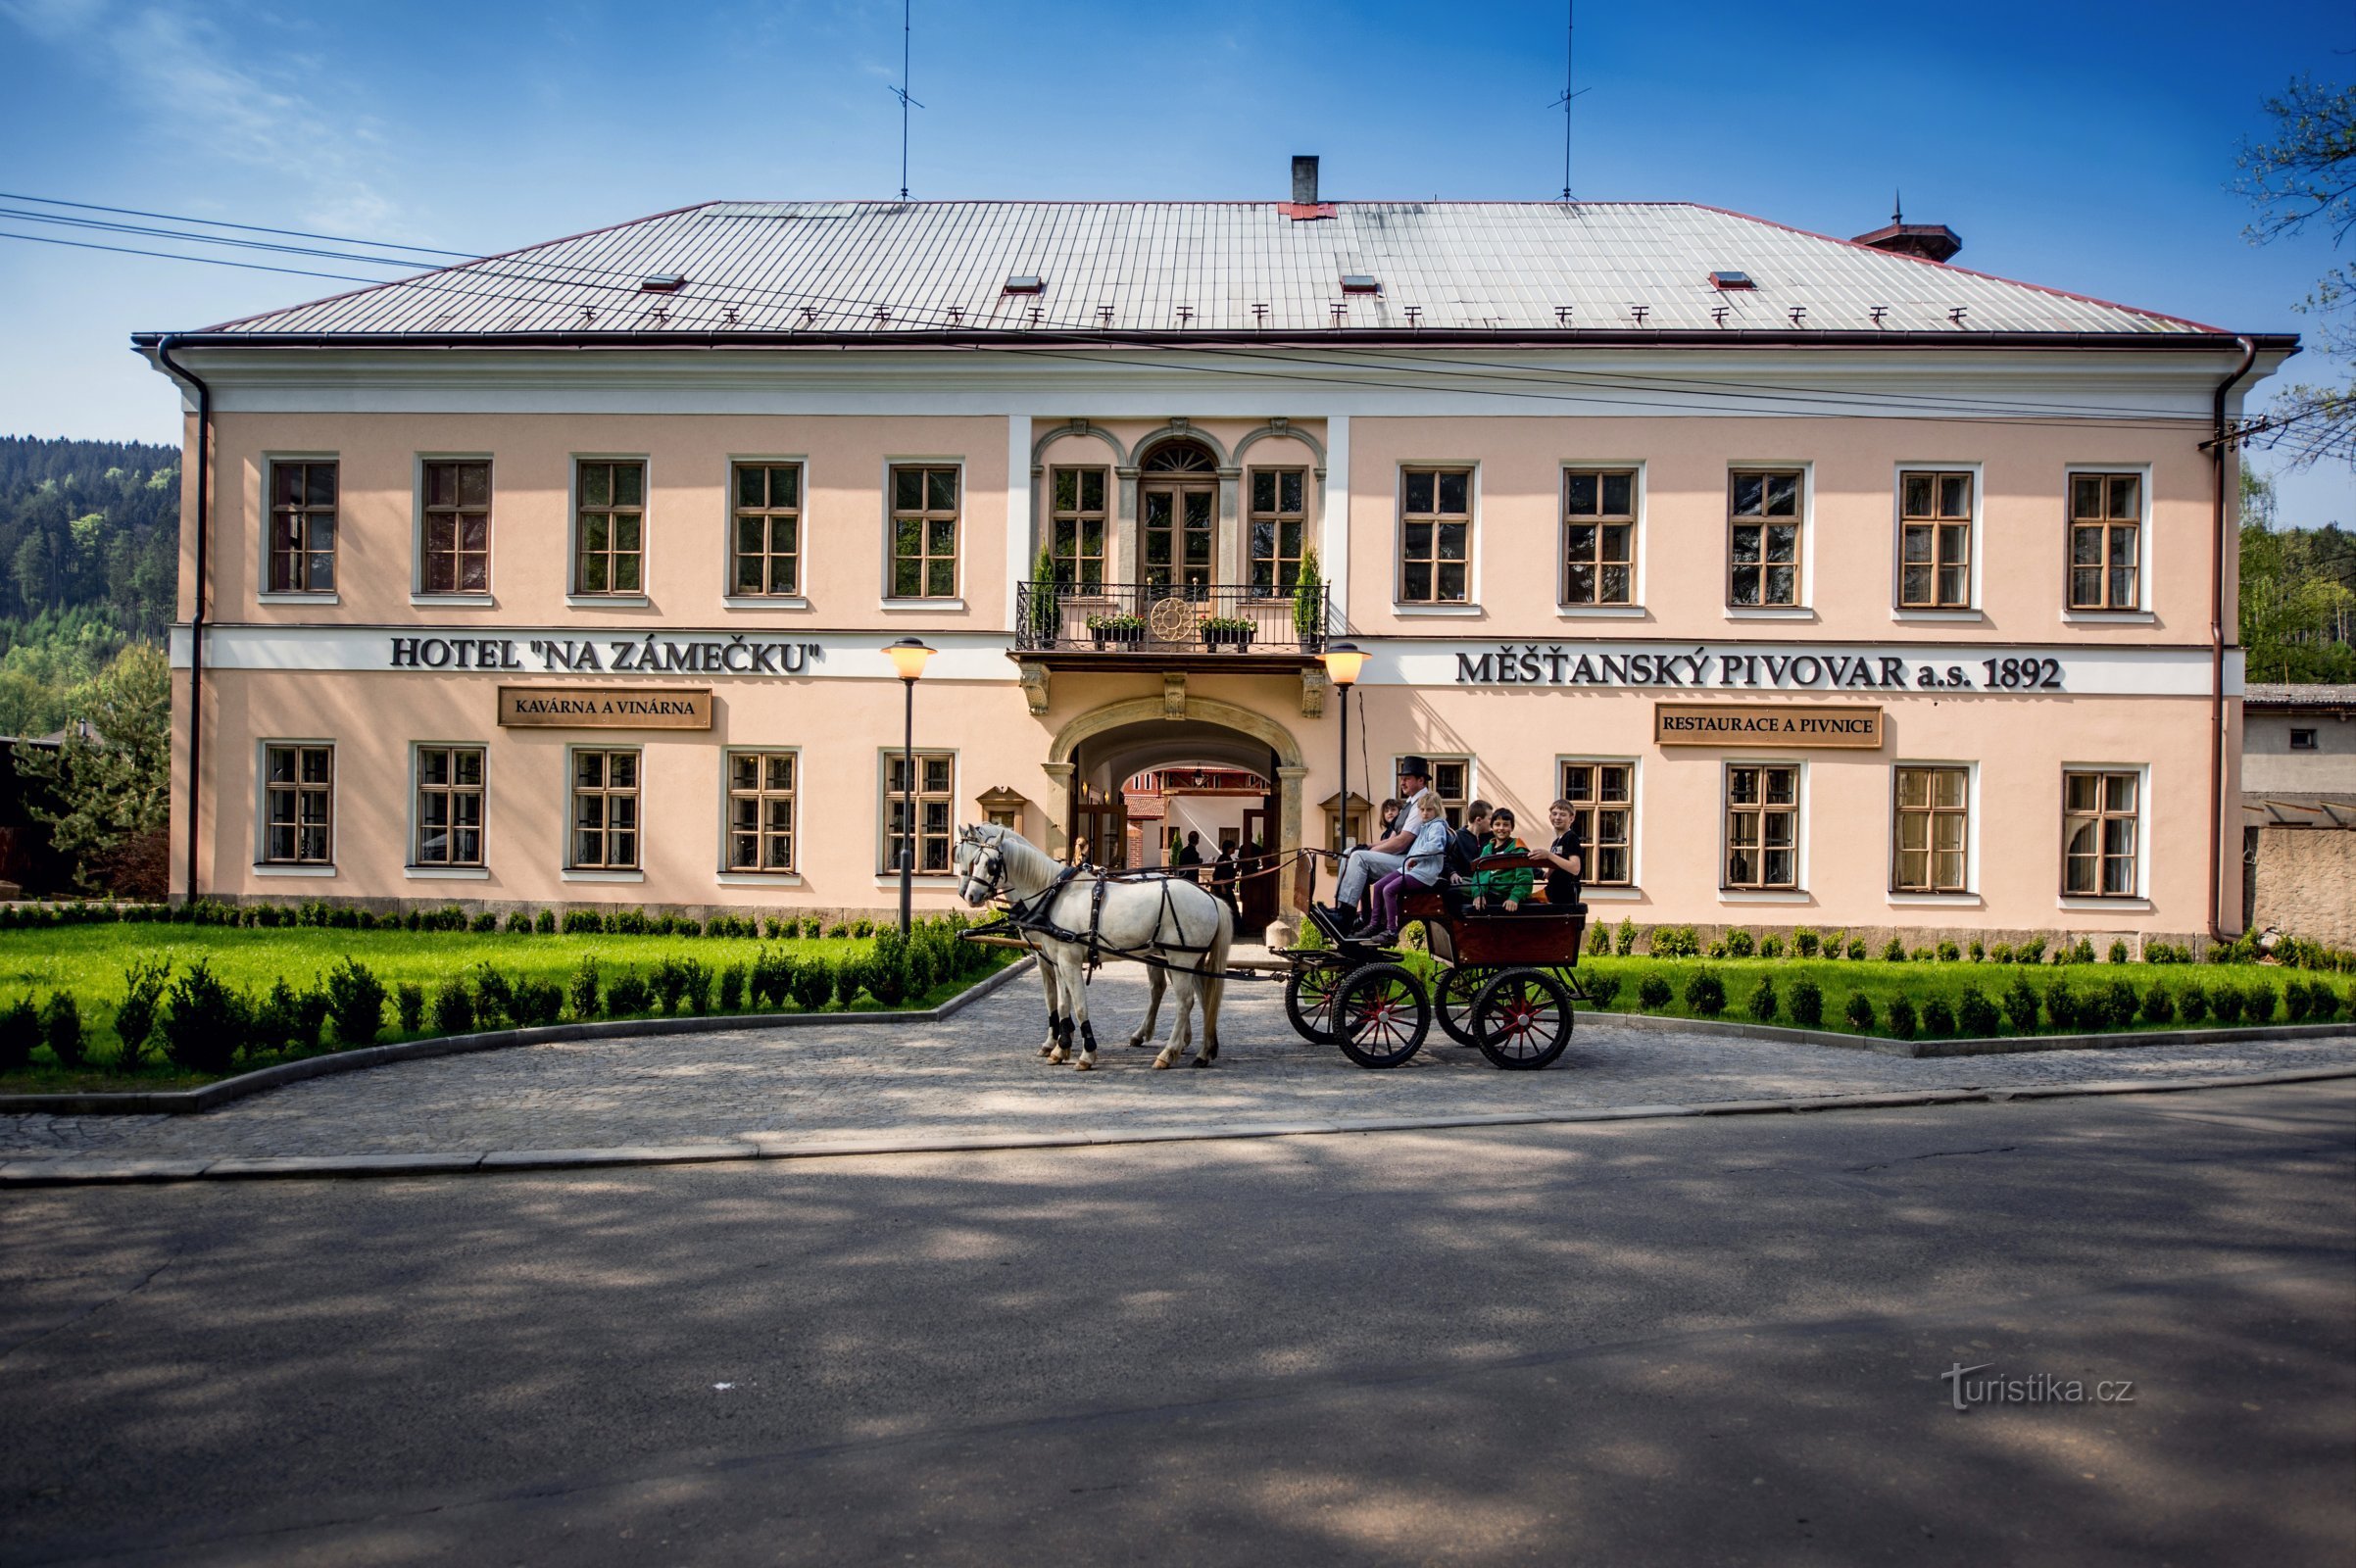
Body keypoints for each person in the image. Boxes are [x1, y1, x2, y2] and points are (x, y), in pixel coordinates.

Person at [1329, 759, 1432, 923]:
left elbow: (1401, 843)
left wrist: (1366, 852)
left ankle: (1345, 917)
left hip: (1412, 863)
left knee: (1358, 857)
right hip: (1402, 858)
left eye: (1407, 778)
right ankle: (1344, 909)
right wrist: (1364, 846)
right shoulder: (1410, 804)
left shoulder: (1423, 804)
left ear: (1421, 780)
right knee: (1349, 853)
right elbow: (1393, 838)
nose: (1402, 782)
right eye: (1401, 779)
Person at [1362, 791, 1453, 941]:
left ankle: (1391, 931)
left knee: (1388, 890)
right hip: (1413, 869)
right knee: (1378, 886)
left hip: (1425, 873)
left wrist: (1415, 858)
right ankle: (1374, 925)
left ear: (1437, 810)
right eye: (1422, 809)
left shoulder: (1437, 826)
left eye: (1429, 810)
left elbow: (1436, 846)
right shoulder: (1426, 826)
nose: (1424, 813)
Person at [1470, 808, 1534, 911]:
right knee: (1454, 893)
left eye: (1506, 824)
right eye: (1497, 824)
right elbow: (1480, 875)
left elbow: (1525, 877)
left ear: (1512, 827)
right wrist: (1478, 894)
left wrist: (1514, 897)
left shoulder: (1518, 848)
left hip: (1506, 895)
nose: (1501, 828)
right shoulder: (1487, 849)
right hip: (1488, 893)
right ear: (1492, 827)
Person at [1536, 799, 1586, 906]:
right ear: (1550, 817)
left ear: (1571, 819)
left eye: (1563, 815)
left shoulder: (1571, 838)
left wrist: (1548, 855)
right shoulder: (1556, 842)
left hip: (1565, 895)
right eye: (1554, 814)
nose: (1557, 818)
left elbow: (1575, 868)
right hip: (1553, 893)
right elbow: (1553, 868)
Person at [1210, 841, 1239, 910]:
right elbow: (1220, 873)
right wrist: (1222, 886)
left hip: (1226, 886)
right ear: (1228, 849)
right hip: (1223, 888)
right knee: (1232, 908)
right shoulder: (1224, 859)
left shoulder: (1225, 858)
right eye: (1233, 847)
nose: (1234, 849)